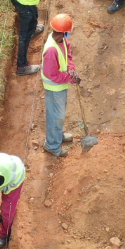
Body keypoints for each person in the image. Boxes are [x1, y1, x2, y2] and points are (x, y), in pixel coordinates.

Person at [40, 12, 80, 157]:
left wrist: (72, 69)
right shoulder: (51, 50)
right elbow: (52, 74)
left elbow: (68, 55)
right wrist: (69, 77)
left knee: (59, 114)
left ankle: (58, 136)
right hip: (54, 88)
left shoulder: (62, 41)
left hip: (61, 86)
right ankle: (52, 145)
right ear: (63, 32)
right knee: (56, 116)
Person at [0, 151, 27, 249]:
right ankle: (2, 217)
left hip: (15, 177)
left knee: (7, 210)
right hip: (9, 168)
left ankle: (5, 235)